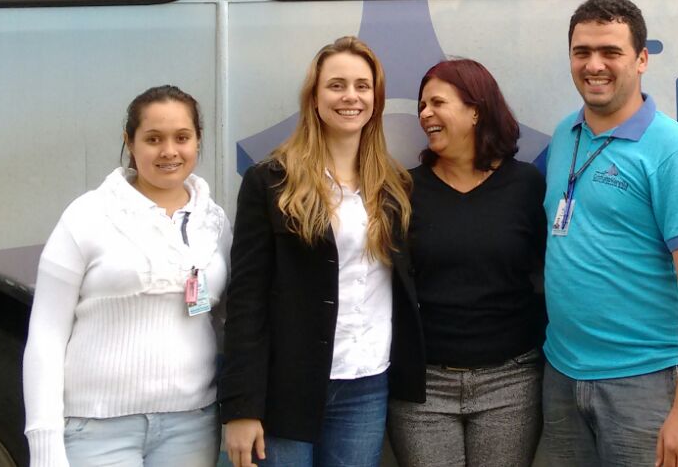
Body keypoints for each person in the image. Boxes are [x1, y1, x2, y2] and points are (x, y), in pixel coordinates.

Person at [220, 36, 425, 467]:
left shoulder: (393, 186)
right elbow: (246, 301)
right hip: (287, 387)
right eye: (336, 85)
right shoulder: (271, 182)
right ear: (314, 98)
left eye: (362, 86)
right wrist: (241, 406)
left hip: (366, 384)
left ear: (376, 99)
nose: (350, 96)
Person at [540, 0, 678, 467]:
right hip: (561, 375)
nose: (594, 65)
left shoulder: (673, 151)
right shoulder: (566, 135)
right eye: (582, 52)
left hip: (647, 384)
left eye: (610, 52)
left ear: (641, 60)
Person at [22, 85, 229, 467]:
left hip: (192, 427)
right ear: (129, 143)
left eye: (182, 138)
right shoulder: (86, 217)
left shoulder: (214, 223)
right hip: (96, 431)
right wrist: (45, 443)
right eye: (153, 139)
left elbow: (228, 321)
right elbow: (46, 336)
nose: (169, 151)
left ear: (198, 141)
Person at [386, 58, 547, 467]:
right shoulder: (403, 189)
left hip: (510, 380)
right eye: (422, 105)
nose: (424, 114)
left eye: (437, 102)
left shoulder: (526, 185)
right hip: (423, 386)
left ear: (476, 110)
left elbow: (552, 271)